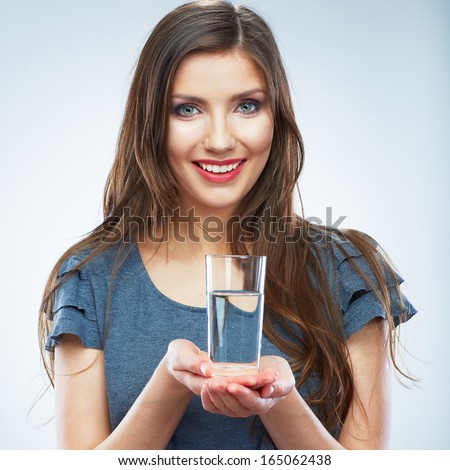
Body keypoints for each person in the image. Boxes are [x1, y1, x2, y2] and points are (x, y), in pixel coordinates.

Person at [38, 0, 417, 450]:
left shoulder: (347, 274)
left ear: (276, 115)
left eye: (247, 105)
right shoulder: (92, 279)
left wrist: (280, 400)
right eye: (187, 109)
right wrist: (171, 383)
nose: (219, 140)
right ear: (151, 122)